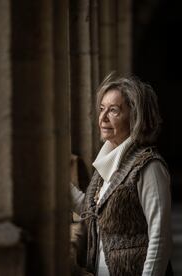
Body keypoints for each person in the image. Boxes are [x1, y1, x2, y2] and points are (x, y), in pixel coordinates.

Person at [71, 73, 173, 276]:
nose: (103, 117)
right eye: (102, 109)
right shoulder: (108, 160)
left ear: (135, 117)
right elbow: (93, 212)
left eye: (114, 111)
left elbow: (160, 237)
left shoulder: (149, 167)